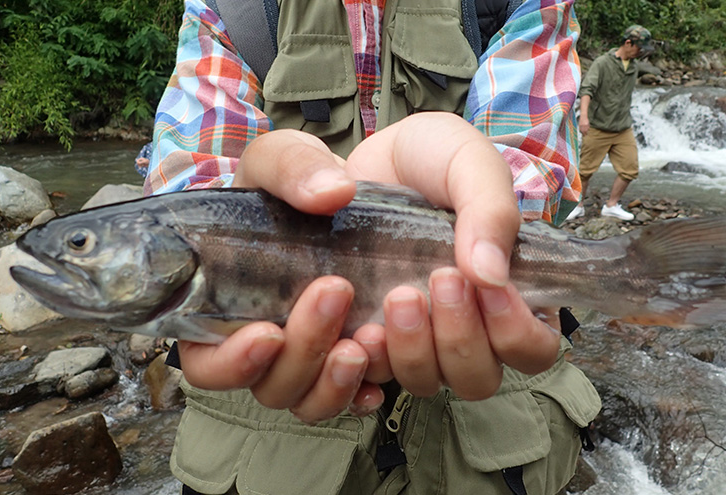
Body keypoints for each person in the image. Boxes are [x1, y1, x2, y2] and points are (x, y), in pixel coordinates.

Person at [145, 1, 601, 494]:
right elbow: (191, 185)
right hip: (271, 441)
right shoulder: (232, 9)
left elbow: (527, 160)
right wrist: (242, 200)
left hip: (492, 426)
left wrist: (486, 207)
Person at [567, 25, 654, 221]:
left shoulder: (633, 66)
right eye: (639, 48)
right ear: (628, 43)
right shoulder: (602, 63)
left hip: (623, 128)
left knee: (630, 170)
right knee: (585, 171)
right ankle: (577, 205)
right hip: (598, 126)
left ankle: (611, 205)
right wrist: (584, 118)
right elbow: (587, 90)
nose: (641, 53)